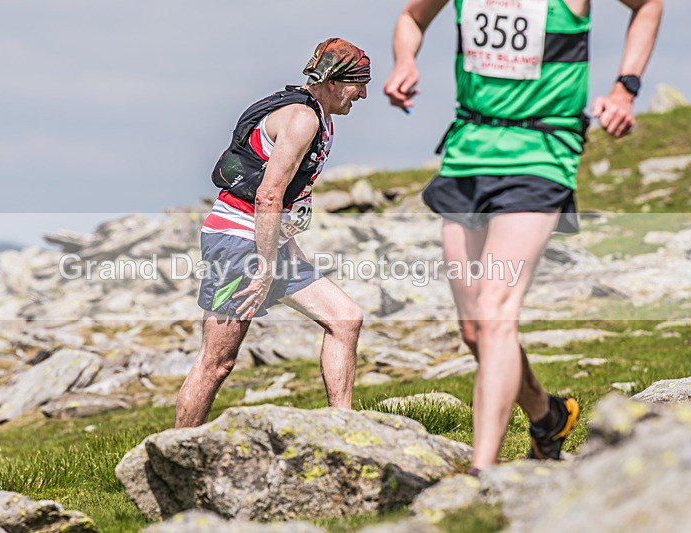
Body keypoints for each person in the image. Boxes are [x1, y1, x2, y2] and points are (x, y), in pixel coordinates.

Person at [384, 0, 662, 470]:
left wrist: (625, 88)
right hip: (467, 152)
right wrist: (404, 61)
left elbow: (649, 5)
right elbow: (411, 18)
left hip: (541, 152)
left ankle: (482, 473)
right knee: (474, 330)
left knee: (494, 312)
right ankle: (547, 415)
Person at [175, 38, 371, 428]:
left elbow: (281, 204)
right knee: (217, 363)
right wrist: (265, 269)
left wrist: (287, 252)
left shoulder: (319, 114)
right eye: (358, 83)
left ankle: (343, 430)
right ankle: (173, 454)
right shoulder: (303, 118)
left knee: (345, 319)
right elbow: (268, 195)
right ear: (333, 82)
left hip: (267, 243)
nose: (363, 93)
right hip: (237, 243)